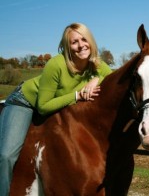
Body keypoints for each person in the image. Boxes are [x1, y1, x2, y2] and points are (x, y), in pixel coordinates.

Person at [0, 22, 112, 195]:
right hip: (25, 101)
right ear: (67, 47)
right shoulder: (56, 64)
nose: (81, 45)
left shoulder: (96, 64)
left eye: (84, 39)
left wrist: (97, 79)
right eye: (74, 42)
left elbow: (115, 80)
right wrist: (78, 95)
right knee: (6, 156)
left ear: (91, 40)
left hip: (58, 105)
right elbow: (43, 106)